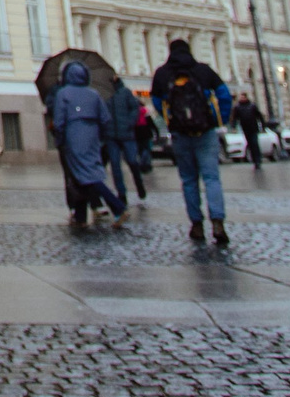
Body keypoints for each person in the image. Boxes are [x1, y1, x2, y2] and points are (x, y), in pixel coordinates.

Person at [150, 39, 233, 246]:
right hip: (205, 132)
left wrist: (172, 120)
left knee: (188, 180)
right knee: (212, 178)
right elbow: (224, 95)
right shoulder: (203, 71)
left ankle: (196, 224)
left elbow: (157, 102)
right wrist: (217, 119)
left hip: (180, 134)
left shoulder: (162, 74)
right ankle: (217, 222)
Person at [53, 63, 125, 225]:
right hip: (92, 136)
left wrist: (60, 139)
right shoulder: (93, 94)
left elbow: (59, 122)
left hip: (73, 136)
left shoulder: (63, 93)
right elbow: (105, 118)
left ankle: (117, 206)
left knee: (85, 175)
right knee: (83, 175)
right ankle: (80, 216)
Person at [104, 83, 147, 204]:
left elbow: (135, 108)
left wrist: (130, 122)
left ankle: (139, 184)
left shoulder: (125, 92)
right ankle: (121, 194)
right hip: (111, 135)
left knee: (132, 161)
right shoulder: (104, 94)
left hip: (127, 134)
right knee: (115, 165)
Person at [231, 92, 264, 167]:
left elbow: (259, 116)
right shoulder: (237, 107)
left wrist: (262, 126)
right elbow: (235, 118)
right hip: (245, 129)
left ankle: (258, 160)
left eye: (243, 97)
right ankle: (254, 160)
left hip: (254, 128)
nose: (242, 98)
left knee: (255, 143)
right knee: (250, 144)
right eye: (241, 97)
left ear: (246, 97)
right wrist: (234, 127)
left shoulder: (252, 106)